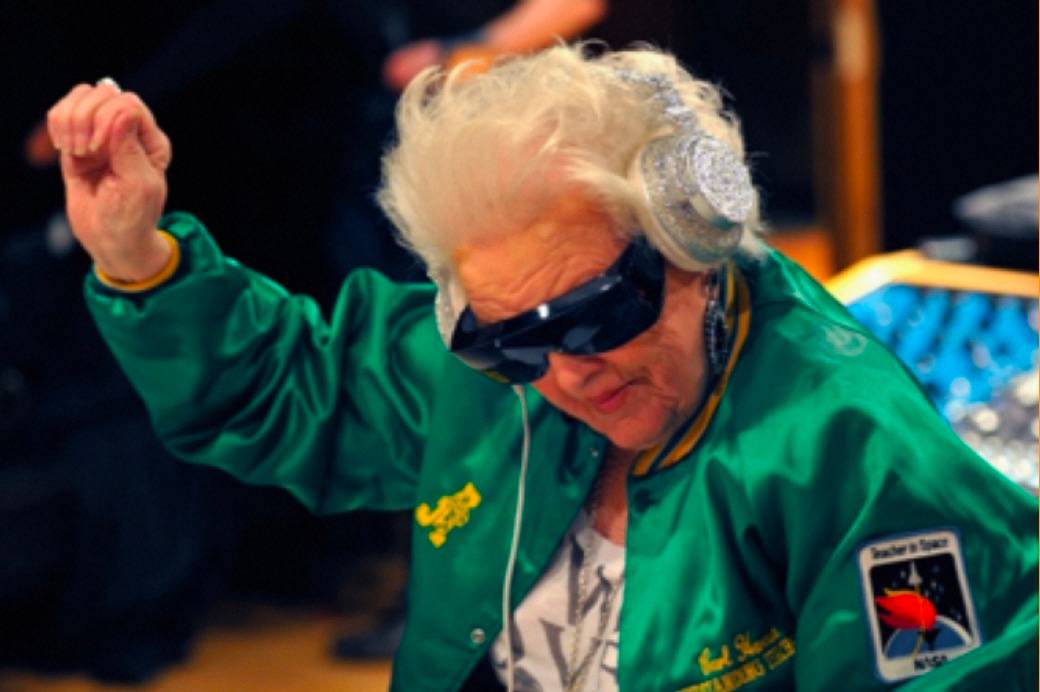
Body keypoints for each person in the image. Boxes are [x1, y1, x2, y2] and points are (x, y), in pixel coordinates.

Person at [46, 44, 1036, 691]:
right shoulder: (483, 365)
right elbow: (287, 390)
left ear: (695, 238)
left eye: (599, 314)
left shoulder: (856, 451)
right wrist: (136, 255)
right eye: (508, 339)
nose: (567, 373)